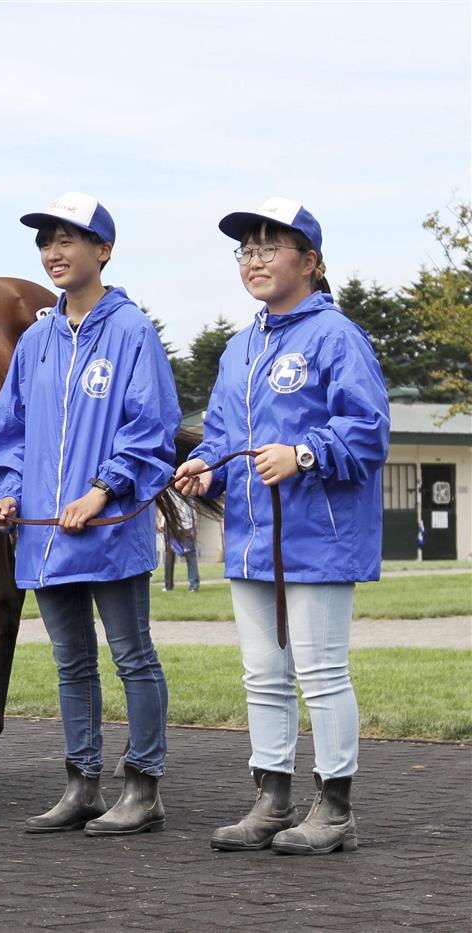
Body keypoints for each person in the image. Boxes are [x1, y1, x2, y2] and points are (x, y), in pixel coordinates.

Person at [175, 198, 389, 855]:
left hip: (318, 534)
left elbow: (369, 430)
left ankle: (335, 807)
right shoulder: (241, 346)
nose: (255, 260)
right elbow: (223, 435)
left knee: (321, 673)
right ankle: (271, 799)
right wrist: (205, 466)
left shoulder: (337, 336)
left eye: (271, 247)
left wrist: (302, 452)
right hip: (249, 535)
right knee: (262, 674)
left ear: (312, 262)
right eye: (246, 249)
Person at [0, 192, 180, 836]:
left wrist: (101, 490)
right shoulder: (37, 338)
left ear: (104, 250)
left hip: (109, 529)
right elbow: (8, 432)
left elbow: (150, 427)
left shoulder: (132, 331)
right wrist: (9, 492)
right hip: (44, 537)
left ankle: (143, 788)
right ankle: (81, 783)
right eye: (46, 241)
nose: (54, 252)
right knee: (70, 662)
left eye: (69, 239)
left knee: (132, 656)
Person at [161, 497, 200, 592]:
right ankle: (193, 585)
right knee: (187, 556)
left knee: (173, 556)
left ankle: (169, 586)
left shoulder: (171, 490)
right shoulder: (186, 492)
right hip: (180, 526)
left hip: (180, 526)